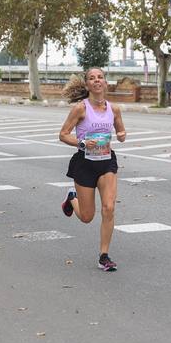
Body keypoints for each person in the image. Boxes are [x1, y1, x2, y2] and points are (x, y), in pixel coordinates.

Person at [57, 68, 127, 272]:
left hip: (106, 162)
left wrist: (122, 135)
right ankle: (71, 198)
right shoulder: (81, 109)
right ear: (87, 85)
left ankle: (104, 256)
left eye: (100, 78)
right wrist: (82, 143)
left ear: (105, 83)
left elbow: (121, 130)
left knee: (109, 207)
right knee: (87, 217)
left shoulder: (114, 109)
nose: (97, 81)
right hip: (84, 163)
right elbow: (63, 134)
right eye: (92, 78)